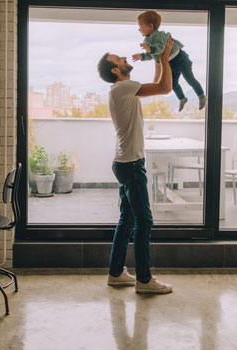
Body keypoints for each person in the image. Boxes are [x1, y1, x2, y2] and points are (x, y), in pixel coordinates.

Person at [97, 39, 174, 294]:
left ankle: (116, 273)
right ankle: (144, 280)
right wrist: (163, 56)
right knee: (145, 221)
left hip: (123, 162)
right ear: (115, 71)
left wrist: (156, 58)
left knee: (127, 220)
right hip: (130, 164)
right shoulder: (124, 88)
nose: (125, 60)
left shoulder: (122, 89)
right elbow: (165, 88)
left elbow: (156, 83)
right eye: (119, 59)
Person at [132, 10, 206, 112]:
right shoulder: (147, 40)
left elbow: (161, 49)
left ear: (150, 26)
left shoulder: (159, 35)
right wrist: (141, 56)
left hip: (180, 59)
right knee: (173, 84)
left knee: (189, 78)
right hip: (170, 63)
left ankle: (201, 95)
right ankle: (182, 98)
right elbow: (152, 55)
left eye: (140, 26)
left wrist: (149, 49)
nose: (139, 29)